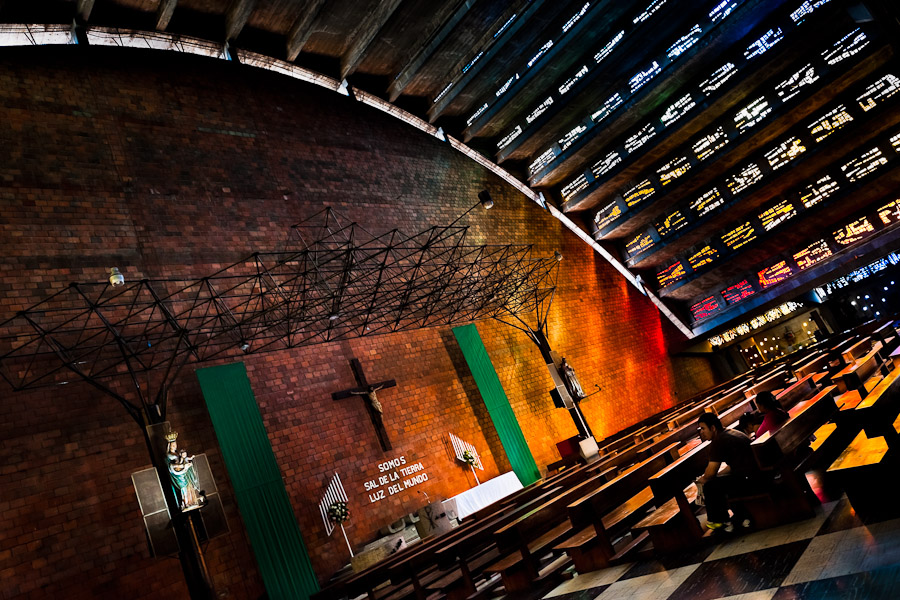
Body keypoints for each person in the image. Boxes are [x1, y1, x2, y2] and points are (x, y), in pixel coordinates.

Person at [696, 412, 761, 531]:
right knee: (721, 482)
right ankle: (742, 517)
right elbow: (733, 464)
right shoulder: (731, 432)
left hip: (750, 481)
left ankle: (722, 522)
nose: (702, 432)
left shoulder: (718, 441)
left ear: (713, 428)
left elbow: (710, 473)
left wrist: (702, 480)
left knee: (710, 486)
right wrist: (718, 476)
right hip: (756, 475)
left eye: (703, 428)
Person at [165, 432, 206, 511]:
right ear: (170, 446)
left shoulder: (176, 453)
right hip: (179, 474)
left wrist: (186, 464)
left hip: (184, 472)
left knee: (188, 486)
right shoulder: (169, 455)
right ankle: (186, 502)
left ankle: (191, 501)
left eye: (175, 444)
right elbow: (172, 466)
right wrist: (183, 466)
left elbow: (183, 459)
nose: (175, 446)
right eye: (173, 445)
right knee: (183, 488)